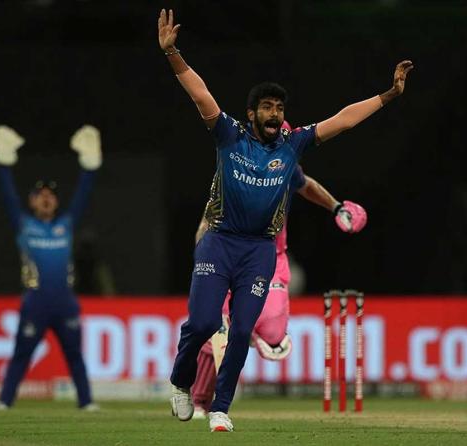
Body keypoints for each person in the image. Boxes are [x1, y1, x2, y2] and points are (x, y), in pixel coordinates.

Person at [158, 8, 412, 432]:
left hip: (259, 250)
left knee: (241, 330)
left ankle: (220, 407)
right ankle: (180, 382)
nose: (275, 114)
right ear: (252, 113)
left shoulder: (292, 146)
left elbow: (342, 120)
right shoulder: (229, 134)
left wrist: (388, 95)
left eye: (279, 108)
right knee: (203, 323)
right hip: (219, 241)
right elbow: (200, 94)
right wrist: (172, 54)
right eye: (267, 108)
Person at [190, 160, 367, 419]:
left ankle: (250, 328)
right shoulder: (234, 167)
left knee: (274, 338)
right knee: (214, 329)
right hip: (230, 256)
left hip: (269, 258)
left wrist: (336, 207)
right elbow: (208, 218)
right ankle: (199, 402)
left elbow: (307, 185)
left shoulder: (285, 166)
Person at [0, 124, 102, 410]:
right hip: (35, 302)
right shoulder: (23, 225)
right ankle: (4, 402)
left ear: (56, 202)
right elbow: (7, 197)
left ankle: (86, 402)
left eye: (51, 194)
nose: (46, 197)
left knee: (75, 355)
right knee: (21, 354)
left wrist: (90, 167)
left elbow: (83, 197)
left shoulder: (65, 225)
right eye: (40, 193)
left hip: (65, 302)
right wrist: (3, 163)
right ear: (31, 200)